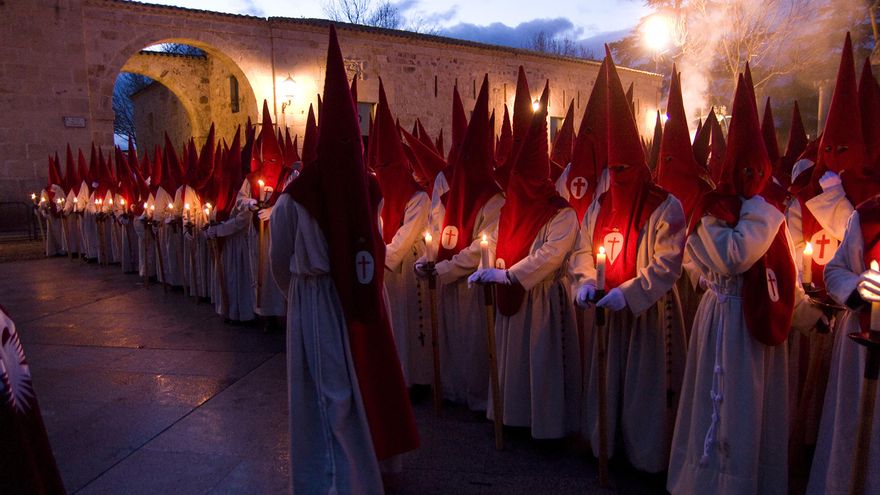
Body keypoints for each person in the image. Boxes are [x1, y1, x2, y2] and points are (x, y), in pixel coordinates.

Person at [270, 25, 418, 493]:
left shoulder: (296, 196)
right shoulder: (367, 185)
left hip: (315, 299)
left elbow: (279, 257)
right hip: (360, 295)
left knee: (328, 396)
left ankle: (338, 480)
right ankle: (369, 471)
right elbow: (372, 243)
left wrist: (295, 294)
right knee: (360, 388)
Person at [667, 72, 821, 495]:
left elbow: (784, 272)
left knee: (756, 410)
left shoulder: (767, 212)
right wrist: (763, 210)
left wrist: (809, 314)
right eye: (744, 169)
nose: (752, 177)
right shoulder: (712, 210)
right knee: (724, 407)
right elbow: (733, 258)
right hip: (725, 320)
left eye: (759, 170)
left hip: (759, 331)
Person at [571, 49, 687, 474]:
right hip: (606, 310)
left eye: (625, 166)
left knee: (643, 388)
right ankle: (604, 446)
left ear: (638, 164)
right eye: (612, 167)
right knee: (606, 382)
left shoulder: (665, 205)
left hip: (646, 314)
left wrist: (629, 294)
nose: (617, 174)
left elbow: (667, 264)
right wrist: (585, 282)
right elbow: (583, 249)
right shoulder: (600, 205)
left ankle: (645, 457)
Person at [469, 81, 581, 439]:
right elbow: (498, 239)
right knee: (514, 362)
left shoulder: (561, 213)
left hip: (543, 299)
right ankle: (512, 418)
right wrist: (487, 269)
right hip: (513, 295)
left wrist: (511, 276)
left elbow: (551, 255)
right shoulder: (513, 208)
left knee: (542, 363)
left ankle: (546, 428)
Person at [415, 75, 504, 412]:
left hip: (471, 286)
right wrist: (427, 259)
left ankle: (479, 398)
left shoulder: (493, 199)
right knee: (450, 339)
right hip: (446, 280)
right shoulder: (448, 196)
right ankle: (451, 391)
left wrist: (446, 268)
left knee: (474, 343)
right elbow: (435, 230)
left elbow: (485, 245)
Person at [372, 80, 431, 387]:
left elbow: (407, 235)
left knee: (411, 325)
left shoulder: (418, 197)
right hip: (385, 266)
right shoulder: (376, 193)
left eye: (387, 167)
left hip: (405, 266)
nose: (382, 174)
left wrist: (382, 257)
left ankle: (414, 379)